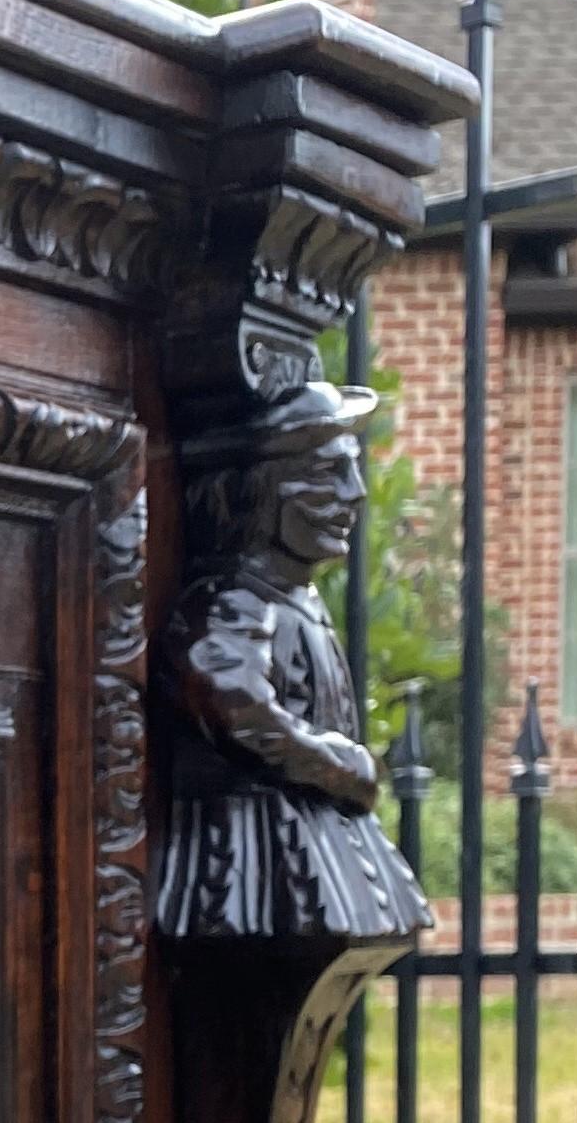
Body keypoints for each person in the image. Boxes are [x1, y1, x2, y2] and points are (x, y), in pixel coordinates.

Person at [156, 374, 428, 946]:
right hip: (257, 863)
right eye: (330, 473)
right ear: (265, 492)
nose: (356, 493)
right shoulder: (237, 601)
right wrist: (339, 765)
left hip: (311, 846)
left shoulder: (290, 602)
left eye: (352, 469)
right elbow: (230, 700)